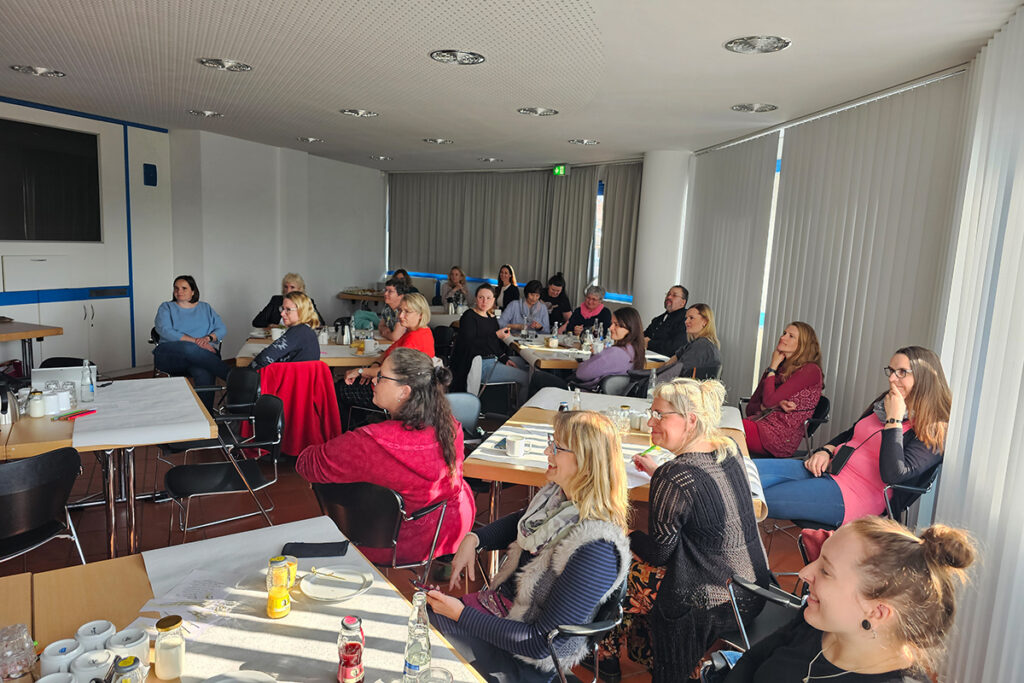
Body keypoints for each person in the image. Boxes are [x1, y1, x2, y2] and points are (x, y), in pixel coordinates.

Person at [426, 410, 632, 683]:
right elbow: (520, 522)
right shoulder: (559, 501)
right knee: (424, 616)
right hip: (510, 617)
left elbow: (540, 644)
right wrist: (475, 539)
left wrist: (459, 614)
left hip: (530, 663)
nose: (548, 451)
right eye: (551, 441)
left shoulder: (596, 551)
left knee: (426, 629)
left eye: (557, 446)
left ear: (584, 462)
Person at [591, 378, 771, 682]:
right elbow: (701, 494)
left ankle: (606, 656)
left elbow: (659, 554)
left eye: (660, 414)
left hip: (710, 601)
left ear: (691, 420)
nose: (651, 421)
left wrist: (627, 534)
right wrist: (657, 472)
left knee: (611, 563)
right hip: (752, 589)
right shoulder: (728, 447)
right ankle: (636, 653)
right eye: (653, 412)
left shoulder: (675, 475)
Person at [721, 517, 977, 683]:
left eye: (826, 571)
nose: (804, 573)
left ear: (877, 612)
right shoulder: (818, 622)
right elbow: (754, 660)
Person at [297, 348, 476, 565]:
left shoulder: (372, 442)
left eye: (381, 377)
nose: (374, 381)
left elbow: (307, 464)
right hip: (452, 524)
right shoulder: (448, 423)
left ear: (404, 392)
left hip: (395, 542)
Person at [755, 346, 950, 527]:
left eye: (902, 372)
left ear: (924, 378)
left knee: (754, 500)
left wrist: (894, 420)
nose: (891, 379)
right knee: (745, 470)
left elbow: (893, 474)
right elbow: (851, 434)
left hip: (853, 495)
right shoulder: (886, 401)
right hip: (829, 468)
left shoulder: (932, 428)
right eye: (891, 371)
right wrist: (826, 450)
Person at [336, 293, 435, 429]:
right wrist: (373, 368)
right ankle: (358, 426)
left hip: (393, 390)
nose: (400, 316)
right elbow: (388, 353)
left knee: (339, 389)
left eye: (407, 312)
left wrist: (361, 371)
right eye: (400, 310)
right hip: (385, 379)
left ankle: (346, 432)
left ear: (420, 315)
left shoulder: (415, 339)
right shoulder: (414, 331)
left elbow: (394, 372)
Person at [743, 322, 824, 458]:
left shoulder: (810, 370)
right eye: (784, 333)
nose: (783, 338)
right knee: (723, 428)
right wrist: (772, 404)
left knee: (727, 431)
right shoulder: (778, 370)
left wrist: (772, 367)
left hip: (780, 438)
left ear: (802, 345)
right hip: (760, 425)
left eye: (791, 336)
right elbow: (751, 408)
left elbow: (768, 402)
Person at [153, 275, 229, 409]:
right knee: (189, 348)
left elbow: (221, 328)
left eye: (184, 288)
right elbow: (165, 331)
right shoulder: (166, 307)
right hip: (171, 356)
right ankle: (233, 378)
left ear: (193, 291)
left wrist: (207, 339)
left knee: (203, 371)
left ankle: (206, 417)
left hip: (202, 359)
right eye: (176, 288)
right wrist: (196, 342)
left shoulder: (205, 308)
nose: (179, 291)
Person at [529, 307, 646, 394]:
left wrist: (594, 358)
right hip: (607, 396)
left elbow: (581, 374)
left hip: (584, 394)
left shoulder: (615, 353)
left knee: (538, 377)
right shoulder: (635, 351)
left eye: (617, 325)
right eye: (612, 324)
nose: (610, 328)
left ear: (630, 329)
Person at [449, 284, 529, 397]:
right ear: (476, 298)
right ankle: (521, 411)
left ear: (493, 300)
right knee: (525, 377)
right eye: (481, 297)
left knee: (523, 364)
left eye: (488, 298)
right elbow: (470, 344)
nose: (484, 301)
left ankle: (512, 402)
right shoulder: (469, 316)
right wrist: (496, 335)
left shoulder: (491, 318)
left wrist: (504, 358)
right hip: (477, 363)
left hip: (491, 358)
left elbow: (494, 345)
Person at [250, 292, 321, 369]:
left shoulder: (298, 332)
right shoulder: (305, 330)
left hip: (290, 380)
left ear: (301, 311)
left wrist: (247, 372)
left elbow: (264, 358)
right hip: (299, 379)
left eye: (288, 309)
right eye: (282, 309)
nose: (282, 313)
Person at [655, 304, 720, 381]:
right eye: (686, 318)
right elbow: (672, 362)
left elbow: (677, 370)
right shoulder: (697, 344)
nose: (686, 321)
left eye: (691, 318)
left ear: (705, 322)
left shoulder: (702, 346)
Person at [251, 272, 325, 328]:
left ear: (300, 289)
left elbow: (320, 324)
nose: (288, 290)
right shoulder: (276, 300)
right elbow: (257, 321)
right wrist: (271, 325)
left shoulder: (307, 301)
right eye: (286, 287)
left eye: (292, 287)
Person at [644, 285, 689, 356]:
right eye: (668, 294)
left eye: (674, 295)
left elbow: (675, 347)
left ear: (683, 302)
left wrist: (649, 344)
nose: (669, 297)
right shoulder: (658, 319)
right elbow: (644, 336)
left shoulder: (686, 320)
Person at [378, 277, 408, 342]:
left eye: (390, 291)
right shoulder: (387, 307)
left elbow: (395, 337)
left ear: (401, 296)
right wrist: (385, 329)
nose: (385, 294)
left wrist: (384, 334)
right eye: (385, 290)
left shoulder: (403, 310)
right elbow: (380, 326)